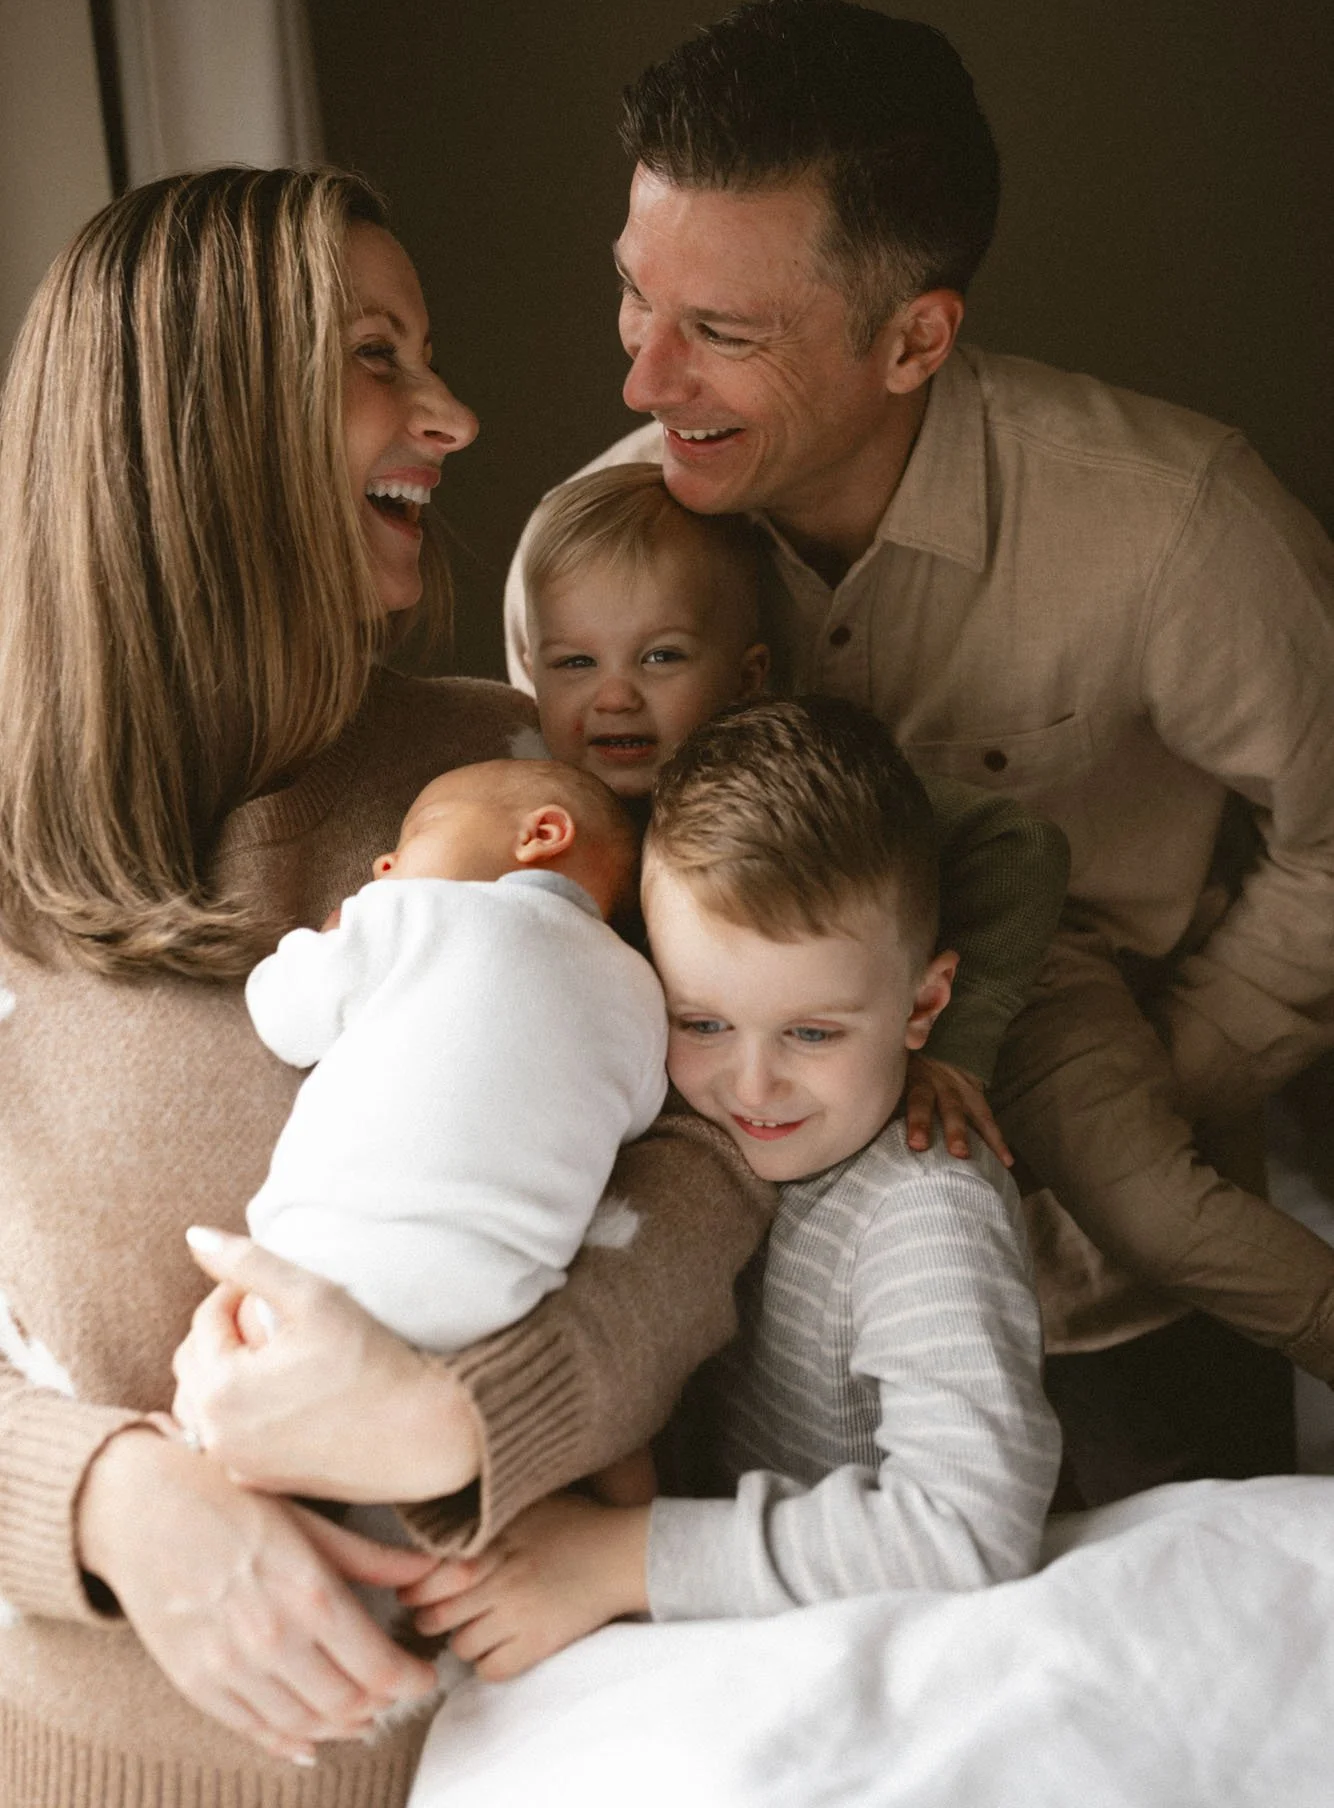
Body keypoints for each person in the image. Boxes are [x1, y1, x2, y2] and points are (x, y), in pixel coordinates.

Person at [0, 166, 773, 1805]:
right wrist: (101, 1497)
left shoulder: (507, 770)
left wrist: (461, 1420)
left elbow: (708, 1163)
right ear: (202, 422)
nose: (454, 415)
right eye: (376, 357)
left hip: (516, 1756)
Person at [503, 0, 1334, 1502]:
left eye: (721, 332)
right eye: (636, 296)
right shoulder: (594, 559)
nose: (641, 377)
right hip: (748, 1311)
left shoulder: (1178, 528)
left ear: (914, 337)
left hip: (1111, 1303)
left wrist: (1155, 1081)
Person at [395, 699, 1062, 1678]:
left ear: (923, 1004)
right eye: (701, 1022)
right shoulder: (659, 1118)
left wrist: (615, 1558)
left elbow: (966, 1527)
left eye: (813, 1032)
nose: (750, 1087)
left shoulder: (925, 1208)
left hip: (858, 1655)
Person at [519, 456, 1071, 1158]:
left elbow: (1021, 843)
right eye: (575, 663)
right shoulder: (532, 809)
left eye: (660, 658)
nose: (615, 697)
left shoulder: (787, 792)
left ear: (747, 675)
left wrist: (962, 1043)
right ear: (530, 668)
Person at [245, 758, 665, 1351]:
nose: (383, 863)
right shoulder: (642, 989)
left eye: (419, 831)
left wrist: (331, 939)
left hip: (331, 1253)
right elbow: (634, 1117)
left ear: (540, 835)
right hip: (504, 1300)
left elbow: (284, 1017)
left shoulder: (418, 911)